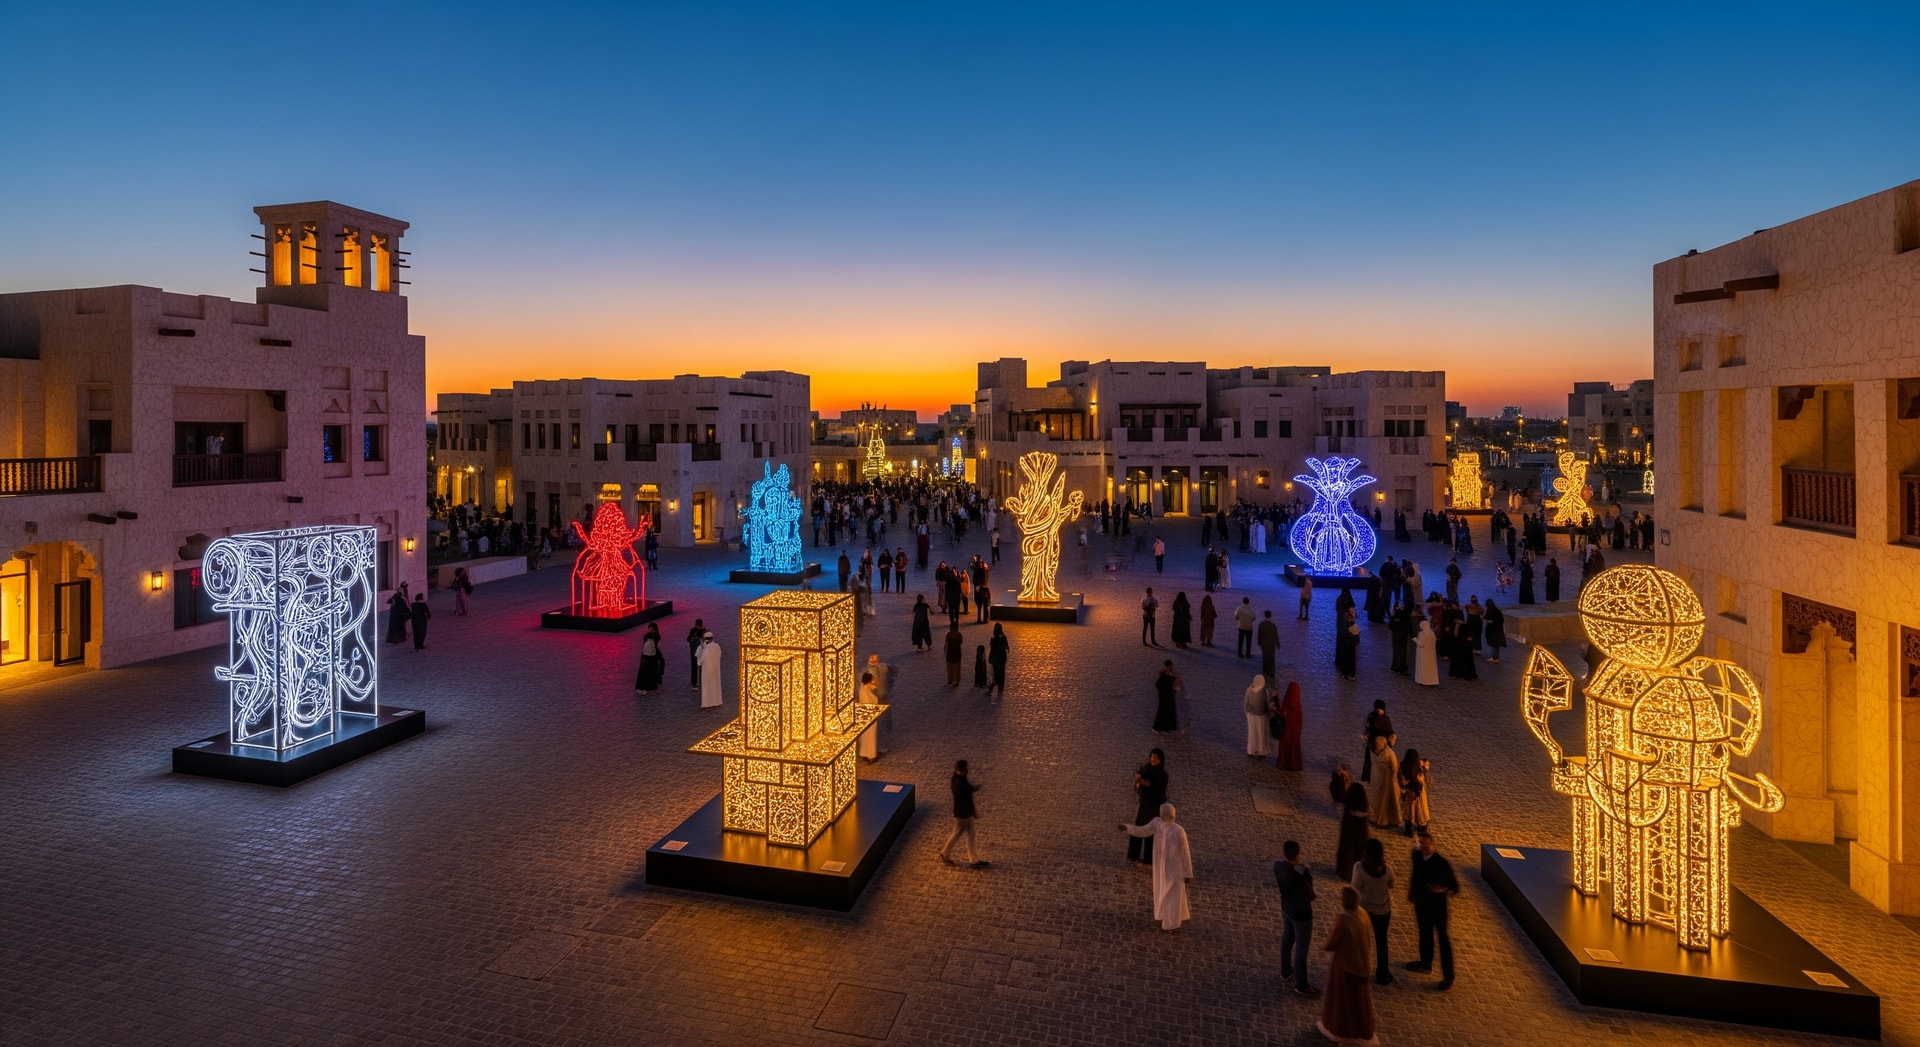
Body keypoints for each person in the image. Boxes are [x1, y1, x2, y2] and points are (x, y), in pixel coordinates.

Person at [1118, 803, 1193, 931]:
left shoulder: (1178, 831)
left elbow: (1185, 853)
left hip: (1175, 870)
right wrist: (1128, 828)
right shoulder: (1157, 823)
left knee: (1172, 896)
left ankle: (1171, 923)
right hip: (1162, 868)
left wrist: (1187, 873)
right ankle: (1170, 918)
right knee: (1166, 894)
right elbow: (1143, 831)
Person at [1318, 886, 1378, 1046]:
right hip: (1363, 963)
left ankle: (1341, 1031)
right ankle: (1362, 1031)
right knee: (1360, 1001)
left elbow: (1332, 942)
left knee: (1343, 1000)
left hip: (1346, 965)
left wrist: (1323, 944)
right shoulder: (1363, 913)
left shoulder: (1344, 919)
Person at [1407, 830, 1459, 989]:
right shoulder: (1416, 855)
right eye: (1420, 843)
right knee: (1424, 933)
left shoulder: (1442, 864)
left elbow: (1455, 887)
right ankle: (1425, 962)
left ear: (1433, 845)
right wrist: (1412, 893)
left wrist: (1442, 890)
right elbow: (1415, 875)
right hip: (1422, 904)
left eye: (1425, 844)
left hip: (1438, 908)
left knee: (1443, 940)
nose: (1422, 846)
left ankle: (1448, 977)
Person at [1274, 840, 1320, 997]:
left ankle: (1285, 971)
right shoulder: (1299, 878)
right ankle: (1301, 984)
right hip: (1302, 916)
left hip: (1286, 909)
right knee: (1301, 949)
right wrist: (1307, 874)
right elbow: (1311, 895)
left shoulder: (1278, 867)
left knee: (1287, 938)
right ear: (1297, 856)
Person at [1351, 839, 1395, 986]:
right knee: (1381, 942)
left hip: (1365, 909)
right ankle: (1383, 974)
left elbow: (1355, 886)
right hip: (1383, 910)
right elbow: (1392, 884)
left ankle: (1359, 970)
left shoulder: (1359, 868)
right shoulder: (1386, 868)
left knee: (1362, 941)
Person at [940, 760, 989, 867]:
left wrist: (971, 788)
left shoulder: (957, 778)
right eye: (966, 769)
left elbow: (965, 790)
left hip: (961, 812)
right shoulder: (959, 783)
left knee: (964, 832)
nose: (968, 770)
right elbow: (965, 794)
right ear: (963, 770)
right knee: (964, 833)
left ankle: (969, 858)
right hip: (963, 813)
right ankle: (972, 859)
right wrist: (972, 789)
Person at [1129, 748, 1168, 863]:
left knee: (1151, 832)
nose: (1153, 759)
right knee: (1138, 828)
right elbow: (1138, 787)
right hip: (1144, 804)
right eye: (1152, 756)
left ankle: (1149, 858)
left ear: (1160, 760)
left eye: (1156, 757)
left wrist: (1147, 784)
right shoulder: (1146, 769)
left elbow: (1159, 791)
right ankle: (1133, 855)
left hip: (1154, 806)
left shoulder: (1163, 775)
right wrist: (1138, 782)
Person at [1336, 768, 1371, 881]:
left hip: (1353, 830)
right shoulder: (1356, 800)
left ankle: (1349, 872)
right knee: (1354, 852)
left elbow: (1342, 796)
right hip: (1356, 831)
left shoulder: (1354, 794)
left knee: (1352, 852)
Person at [1366, 735, 1403, 829]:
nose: (1377, 744)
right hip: (1382, 780)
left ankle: (1381, 819)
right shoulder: (1382, 753)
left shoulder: (1381, 753)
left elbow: (1394, 767)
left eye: (1378, 743)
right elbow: (1394, 767)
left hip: (1382, 780)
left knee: (1382, 799)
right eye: (1377, 743)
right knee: (1382, 799)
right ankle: (1381, 818)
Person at [1401, 749, 1432, 835]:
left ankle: (1409, 829)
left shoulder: (1403, 767)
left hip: (1408, 793)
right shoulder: (1418, 770)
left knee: (1409, 812)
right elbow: (1422, 782)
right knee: (1420, 810)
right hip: (1419, 794)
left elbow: (1403, 781)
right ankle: (1422, 827)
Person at [1274, 680, 1303, 771]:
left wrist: (1276, 699)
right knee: (1294, 746)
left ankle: (1284, 763)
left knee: (1285, 745)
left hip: (1286, 729)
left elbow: (1282, 713)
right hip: (1295, 730)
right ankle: (1294, 764)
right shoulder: (1297, 704)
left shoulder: (1287, 700)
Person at [633, 623, 665, 695]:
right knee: (645, 671)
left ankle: (651, 687)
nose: (650, 629)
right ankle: (644, 687)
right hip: (648, 656)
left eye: (651, 628)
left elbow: (653, 638)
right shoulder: (649, 635)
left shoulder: (655, 635)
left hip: (651, 656)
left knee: (651, 671)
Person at [1244, 674, 1270, 758]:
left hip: (1250, 715)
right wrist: (1268, 714)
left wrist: (1246, 712)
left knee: (1251, 733)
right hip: (1261, 716)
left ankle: (1251, 750)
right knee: (1261, 734)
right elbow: (1266, 704)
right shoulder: (1263, 691)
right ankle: (1261, 752)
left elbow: (1246, 703)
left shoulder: (1249, 690)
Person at [857, 671, 882, 761]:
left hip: (866, 717)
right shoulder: (864, 692)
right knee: (870, 736)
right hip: (869, 717)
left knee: (866, 737)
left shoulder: (864, 687)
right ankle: (871, 755)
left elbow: (872, 687)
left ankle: (865, 753)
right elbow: (869, 703)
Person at [696, 632, 724, 709]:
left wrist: (699, 656)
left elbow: (700, 661)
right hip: (716, 669)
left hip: (707, 671)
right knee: (715, 685)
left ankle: (707, 703)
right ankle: (716, 701)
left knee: (707, 686)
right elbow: (720, 655)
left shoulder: (706, 650)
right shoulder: (717, 646)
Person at [1151, 660, 1180, 734]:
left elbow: (1173, 683)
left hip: (1170, 695)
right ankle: (1157, 727)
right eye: (1170, 666)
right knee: (1162, 711)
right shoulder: (1162, 674)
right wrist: (1165, 689)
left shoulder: (1170, 674)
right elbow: (1158, 685)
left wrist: (1174, 688)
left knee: (1170, 711)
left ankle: (1167, 727)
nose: (1171, 667)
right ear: (1166, 666)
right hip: (1164, 695)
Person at [1413, 616, 1439, 686]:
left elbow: (1421, 644)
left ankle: (1423, 680)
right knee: (1431, 668)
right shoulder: (1432, 634)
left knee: (1424, 667)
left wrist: (1415, 639)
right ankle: (1432, 681)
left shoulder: (1422, 633)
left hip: (1423, 654)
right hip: (1431, 654)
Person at [986, 623, 1009, 700]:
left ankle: (995, 682)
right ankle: (1000, 685)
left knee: (995, 671)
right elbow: (1006, 646)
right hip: (1002, 657)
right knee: (1002, 671)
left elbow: (991, 646)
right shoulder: (1003, 637)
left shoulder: (993, 637)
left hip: (995, 657)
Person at [1335, 614, 1360, 680]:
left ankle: (1346, 674)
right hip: (1351, 645)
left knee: (1347, 659)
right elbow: (1357, 637)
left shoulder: (1346, 627)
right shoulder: (1354, 626)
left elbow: (1345, 636)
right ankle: (1351, 674)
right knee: (1352, 659)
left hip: (1347, 645)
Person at [1258, 610, 1280, 679]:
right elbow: (1276, 636)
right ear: (1270, 616)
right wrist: (1278, 644)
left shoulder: (1261, 625)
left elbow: (1259, 635)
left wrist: (1259, 642)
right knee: (1271, 658)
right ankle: (1271, 672)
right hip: (1271, 644)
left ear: (1265, 616)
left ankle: (1265, 671)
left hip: (1264, 644)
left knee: (1265, 657)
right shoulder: (1273, 626)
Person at [1484, 599, 1507, 664]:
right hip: (1498, 630)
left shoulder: (1490, 610)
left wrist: (1491, 621)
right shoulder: (1497, 610)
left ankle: (1495, 657)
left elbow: (1487, 618)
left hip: (1492, 630)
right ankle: (1496, 657)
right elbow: (1501, 620)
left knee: (1493, 644)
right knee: (1496, 645)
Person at [687, 619, 706, 690]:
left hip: (701, 653)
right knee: (694, 667)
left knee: (702, 667)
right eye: (697, 625)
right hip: (694, 652)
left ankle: (702, 681)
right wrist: (691, 639)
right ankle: (694, 683)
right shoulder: (692, 630)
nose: (698, 627)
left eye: (699, 625)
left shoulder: (703, 631)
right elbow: (688, 639)